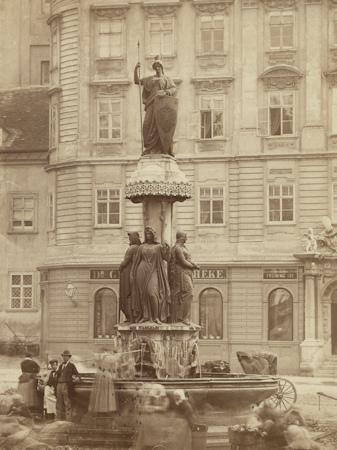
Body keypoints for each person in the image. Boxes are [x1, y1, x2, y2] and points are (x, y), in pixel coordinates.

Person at [134, 58, 177, 156]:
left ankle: (164, 149)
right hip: (151, 104)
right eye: (155, 67)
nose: (157, 68)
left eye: (159, 66)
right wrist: (136, 69)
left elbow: (174, 89)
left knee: (162, 126)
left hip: (162, 106)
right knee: (147, 125)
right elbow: (137, 81)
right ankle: (149, 148)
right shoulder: (149, 79)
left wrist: (166, 92)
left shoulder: (167, 79)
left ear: (162, 68)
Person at [132, 226, 171, 324]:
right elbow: (137, 261)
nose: (148, 235)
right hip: (141, 271)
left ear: (153, 235)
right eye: (146, 234)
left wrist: (168, 249)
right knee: (142, 295)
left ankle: (156, 317)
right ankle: (145, 317)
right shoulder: (141, 247)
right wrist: (133, 274)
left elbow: (167, 258)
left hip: (154, 271)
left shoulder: (158, 247)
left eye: (149, 234)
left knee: (152, 293)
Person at [169, 231, 199, 325]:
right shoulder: (178, 248)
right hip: (181, 272)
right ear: (181, 237)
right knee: (188, 292)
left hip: (186, 271)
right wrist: (193, 266)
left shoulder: (182, 247)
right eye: (185, 236)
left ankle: (184, 317)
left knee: (189, 293)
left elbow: (187, 260)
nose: (186, 238)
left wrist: (192, 263)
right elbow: (183, 262)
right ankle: (181, 317)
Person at [119, 231, 142, 323]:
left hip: (128, 275)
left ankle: (130, 316)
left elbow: (125, 262)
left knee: (126, 294)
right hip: (135, 274)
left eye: (130, 238)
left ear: (133, 239)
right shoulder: (140, 248)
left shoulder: (132, 248)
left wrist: (120, 267)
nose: (129, 240)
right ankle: (133, 315)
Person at [55, 350, 80, 422]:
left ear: (69, 357)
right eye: (64, 356)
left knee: (67, 403)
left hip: (66, 385)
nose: (65, 357)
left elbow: (77, 374)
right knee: (58, 403)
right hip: (59, 385)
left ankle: (68, 420)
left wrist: (77, 378)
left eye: (66, 356)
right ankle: (58, 420)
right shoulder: (60, 366)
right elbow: (57, 375)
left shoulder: (71, 366)